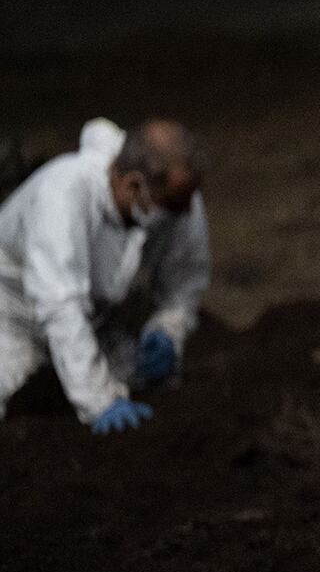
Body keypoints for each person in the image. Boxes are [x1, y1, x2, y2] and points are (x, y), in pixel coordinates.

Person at [0, 118, 209, 431]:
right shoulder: (62, 196)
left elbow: (186, 278)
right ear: (134, 185)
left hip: (97, 323)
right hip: (14, 321)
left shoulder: (176, 200)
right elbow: (60, 306)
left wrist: (168, 328)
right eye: (174, 204)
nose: (184, 214)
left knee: (147, 384)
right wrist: (99, 401)